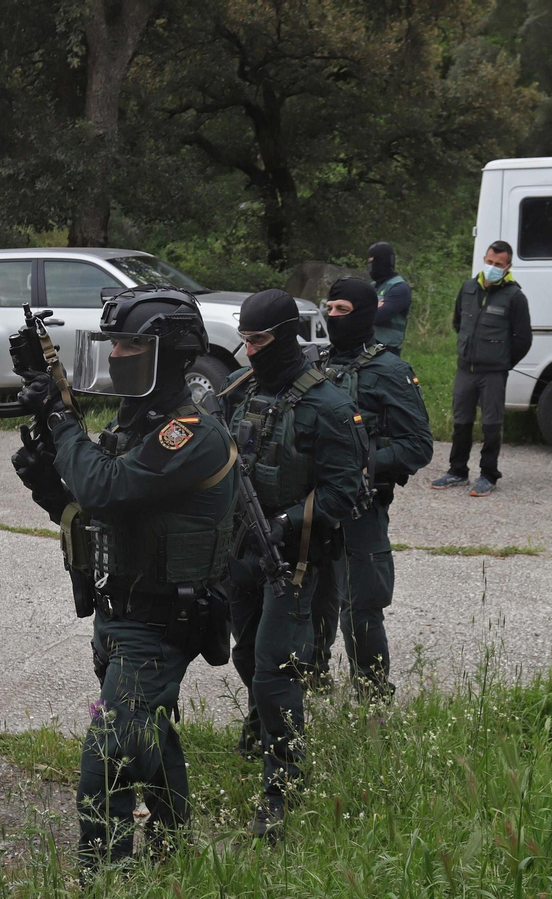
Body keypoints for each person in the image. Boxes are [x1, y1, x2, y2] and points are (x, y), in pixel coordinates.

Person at [11, 287, 237, 868]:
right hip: (122, 613)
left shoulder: (188, 432)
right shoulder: (138, 422)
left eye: (133, 343)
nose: (117, 354)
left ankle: (103, 875)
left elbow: (105, 487)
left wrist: (62, 420)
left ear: (172, 352)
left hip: (161, 621)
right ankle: (172, 853)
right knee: (151, 740)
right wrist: (46, 482)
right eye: (114, 343)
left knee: (107, 757)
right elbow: (102, 512)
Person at [219, 288, 365, 841]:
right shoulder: (244, 390)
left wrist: (283, 524)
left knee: (275, 667)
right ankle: (262, 717)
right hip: (240, 551)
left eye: (257, 340)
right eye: (245, 340)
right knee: (245, 652)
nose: (249, 350)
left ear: (283, 337)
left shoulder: (327, 405)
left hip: (294, 558)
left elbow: (345, 493)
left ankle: (281, 786)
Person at [311, 278, 433, 697]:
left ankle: (372, 693)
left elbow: (418, 446)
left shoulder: (391, 371)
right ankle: (312, 675)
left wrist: (362, 463)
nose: (332, 317)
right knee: (315, 595)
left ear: (363, 314)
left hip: (363, 505)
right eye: (329, 309)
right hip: (316, 502)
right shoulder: (317, 365)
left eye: (342, 310)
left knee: (360, 605)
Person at [430, 240, 531, 497]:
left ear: (508, 266)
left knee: (491, 424)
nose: (492, 267)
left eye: (498, 264)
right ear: (484, 260)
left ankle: (488, 475)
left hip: (494, 372)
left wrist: (503, 362)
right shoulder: (467, 288)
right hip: (466, 368)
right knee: (461, 422)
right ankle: (457, 472)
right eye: (489, 262)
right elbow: (457, 321)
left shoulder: (514, 296)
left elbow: (523, 339)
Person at [367, 241, 412, 352]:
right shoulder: (372, 286)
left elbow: (377, 317)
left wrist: (365, 308)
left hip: (387, 350)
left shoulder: (399, 288)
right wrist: (373, 307)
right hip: (366, 347)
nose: (370, 267)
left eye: (372, 263)